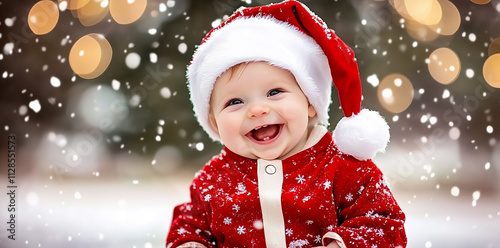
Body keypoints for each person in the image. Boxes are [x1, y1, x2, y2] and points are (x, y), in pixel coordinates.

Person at [166, 1, 407, 247]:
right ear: (214, 123)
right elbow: (189, 223)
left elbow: (383, 223)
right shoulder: (213, 180)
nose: (257, 109)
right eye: (235, 101)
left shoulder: (345, 168)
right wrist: (190, 243)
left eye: (274, 92)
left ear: (310, 101)